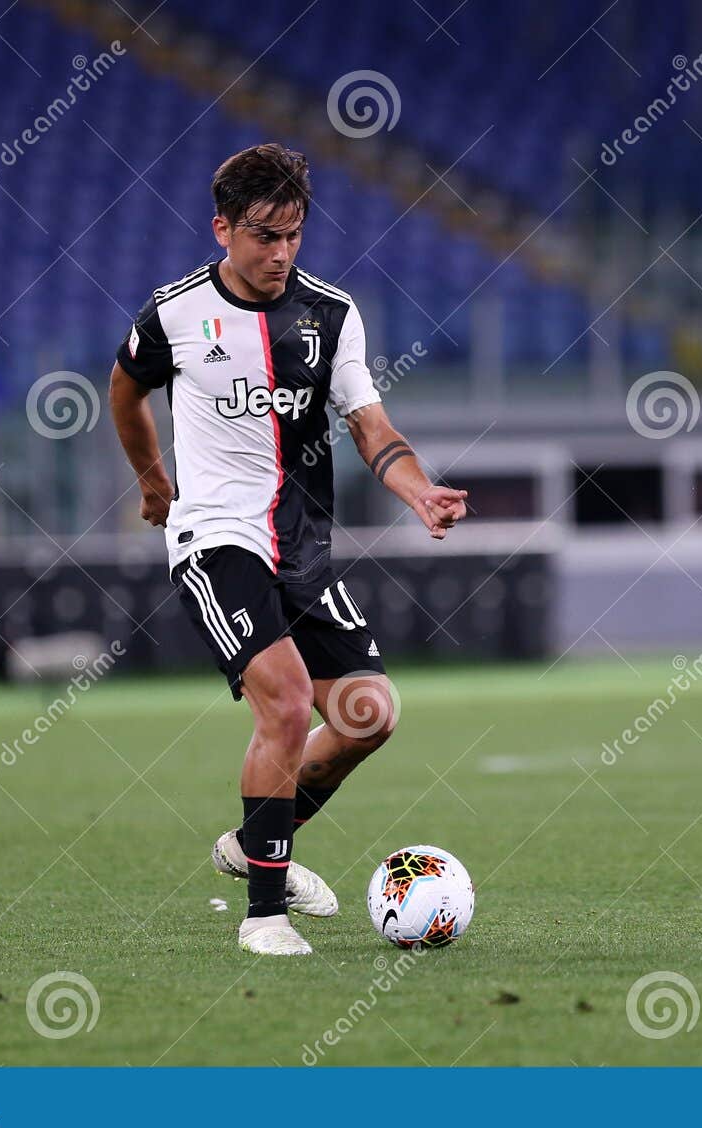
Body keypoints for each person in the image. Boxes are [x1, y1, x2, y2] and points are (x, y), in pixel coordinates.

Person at [109, 143, 470, 956]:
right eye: (264, 235)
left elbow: (369, 423)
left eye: (293, 235)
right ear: (224, 229)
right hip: (214, 536)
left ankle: (250, 842)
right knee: (285, 699)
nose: (279, 254)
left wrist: (417, 489)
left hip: (301, 547)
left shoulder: (331, 315)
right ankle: (264, 914)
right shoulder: (172, 314)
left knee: (369, 714)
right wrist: (152, 479)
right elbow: (125, 388)